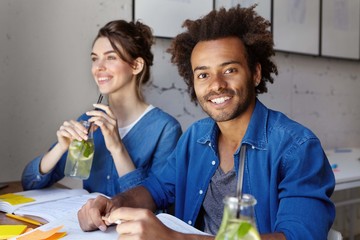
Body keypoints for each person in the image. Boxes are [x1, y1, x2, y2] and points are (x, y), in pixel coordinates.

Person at [77, 5, 335, 239]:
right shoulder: (195, 137)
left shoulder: (298, 147)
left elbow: (299, 236)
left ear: (255, 73)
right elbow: (156, 189)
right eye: (203, 74)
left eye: (230, 70)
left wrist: (175, 238)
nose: (216, 85)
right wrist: (114, 203)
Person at [21, 20, 182, 197]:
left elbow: (157, 203)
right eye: (94, 58)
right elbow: (29, 182)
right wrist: (60, 147)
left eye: (111, 57)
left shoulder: (166, 129)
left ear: (136, 66)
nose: (98, 67)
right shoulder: (89, 122)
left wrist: (117, 148)